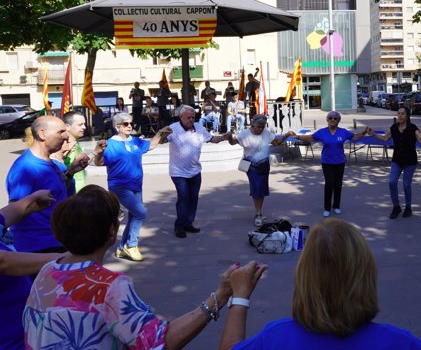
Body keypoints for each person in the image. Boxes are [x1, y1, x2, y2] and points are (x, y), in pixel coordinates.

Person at [23, 185, 243, 350]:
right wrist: (221, 295)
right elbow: (160, 342)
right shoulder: (109, 286)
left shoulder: (48, 271)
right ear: (111, 231)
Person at [221, 218, 421, 350]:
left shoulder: (275, 337)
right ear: (366, 275)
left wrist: (240, 297)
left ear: (304, 277)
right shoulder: (395, 341)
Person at [6, 116, 89, 253]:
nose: (66, 137)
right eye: (60, 132)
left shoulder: (54, 164)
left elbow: (59, 191)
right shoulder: (25, 168)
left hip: (59, 240)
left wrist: (71, 172)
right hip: (36, 247)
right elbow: (14, 209)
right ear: (42, 134)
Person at [93, 113, 169, 261]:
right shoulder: (110, 144)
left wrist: (160, 133)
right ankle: (131, 245)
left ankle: (122, 248)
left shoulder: (134, 141)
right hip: (119, 186)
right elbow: (99, 162)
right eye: (126, 124)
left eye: (131, 123)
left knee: (134, 215)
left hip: (136, 185)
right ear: (117, 127)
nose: (130, 126)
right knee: (141, 213)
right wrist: (98, 153)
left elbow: (151, 145)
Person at [0, 190, 61, 350]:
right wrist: (65, 258)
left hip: (26, 334)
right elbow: (3, 262)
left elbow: (3, 217)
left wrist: (31, 200)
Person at [169, 105, 231, 238]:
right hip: (178, 172)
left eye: (193, 117)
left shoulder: (199, 128)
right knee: (183, 197)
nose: (191, 120)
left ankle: (188, 223)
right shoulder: (173, 128)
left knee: (193, 198)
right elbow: (162, 139)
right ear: (181, 117)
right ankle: (179, 225)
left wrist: (223, 137)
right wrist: (160, 135)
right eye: (188, 117)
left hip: (195, 171)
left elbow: (212, 139)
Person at [293, 111, 368, 217]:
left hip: (340, 162)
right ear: (327, 120)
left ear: (338, 121)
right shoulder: (322, 132)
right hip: (327, 162)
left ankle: (336, 206)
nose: (333, 120)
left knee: (338, 184)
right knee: (330, 182)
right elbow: (310, 138)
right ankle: (327, 208)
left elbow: (355, 137)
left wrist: (364, 132)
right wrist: (297, 136)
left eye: (335, 118)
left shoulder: (343, 132)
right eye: (330, 118)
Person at [230, 115, 293, 226]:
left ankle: (259, 212)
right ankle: (258, 213)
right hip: (252, 166)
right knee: (256, 188)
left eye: (262, 127)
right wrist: (229, 137)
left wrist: (286, 135)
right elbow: (233, 142)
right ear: (253, 124)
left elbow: (277, 143)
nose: (260, 129)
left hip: (264, 164)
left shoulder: (266, 133)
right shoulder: (245, 134)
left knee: (263, 189)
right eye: (258, 127)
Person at [368, 106, 421, 219]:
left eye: (402, 114)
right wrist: (373, 133)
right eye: (398, 113)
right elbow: (384, 138)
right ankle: (396, 207)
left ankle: (408, 208)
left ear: (407, 116)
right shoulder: (394, 127)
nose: (400, 116)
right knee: (392, 182)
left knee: (406, 184)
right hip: (397, 160)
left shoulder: (413, 127)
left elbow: (420, 140)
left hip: (410, 161)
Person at [63, 111, 107, 193]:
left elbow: (81, 164)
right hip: (69, 196)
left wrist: (95, 151)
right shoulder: (62, 146)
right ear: (67, 126)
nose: (84, 127)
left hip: (78, 194)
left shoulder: (75, 143)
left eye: (84, 124)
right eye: (80, 125)